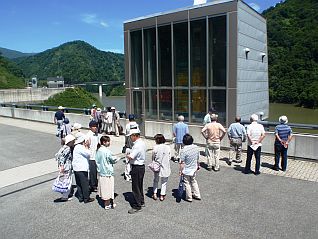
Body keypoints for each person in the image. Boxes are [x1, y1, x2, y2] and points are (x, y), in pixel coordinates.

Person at [126, 128, 146, 214]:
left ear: (134, 136)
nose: (130, 138)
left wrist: (127, 155)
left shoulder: (137, 145)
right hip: (141, 166)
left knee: (135, 187)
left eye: (131, 136)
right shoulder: (142, 143)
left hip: (136, 167)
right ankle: (141, 201)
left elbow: (132, 156)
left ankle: (137, 205)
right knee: (140, 185)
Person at [95, 136, 118, 209]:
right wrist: (118, 158)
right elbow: (113, 159)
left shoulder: (99, 150)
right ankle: (107, 204)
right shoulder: (106, 151)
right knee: (108, 188)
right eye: (108, 141)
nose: (109, 143)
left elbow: (97, 161)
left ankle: (107, 203)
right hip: (107, 172)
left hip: (101, 172)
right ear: (104, 142)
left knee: (104, 187)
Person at [72, 135, 95, 203]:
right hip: (81, 168)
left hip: (76, 168)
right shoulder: (80, 147)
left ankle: (81, 197)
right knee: (85, 184)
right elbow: (88, 154)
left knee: (79, 184)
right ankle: (86, 198)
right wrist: (87, 146)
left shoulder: (76, 147)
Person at [179, 134, 201, 202]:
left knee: (187, 183)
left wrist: (180, 171)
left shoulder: (183, 150)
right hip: (194, 168)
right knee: (193, 181)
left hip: (186, 169)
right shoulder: (196, 147)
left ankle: (189, 197)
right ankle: (197, 194)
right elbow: (198, 158)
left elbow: (182, 162)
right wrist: (198, 165)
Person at [54, 134, 76, 201]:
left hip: (63, 166)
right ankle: (65, 196)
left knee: (64, 180)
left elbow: (58, 155)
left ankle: (64, 195)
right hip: (66, 167)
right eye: (73, 142)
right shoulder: (68, 148)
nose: (74, 143)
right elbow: (62, 157)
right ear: (70, 142)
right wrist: (62, 165)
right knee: (67, 181)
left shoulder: (63, 147)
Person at [151, 134, 171, 201]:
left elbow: (153, 157)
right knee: (164, 182)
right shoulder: (168, 147)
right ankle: (162, 195)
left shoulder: (155, 147)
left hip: (157, 165)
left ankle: (155, 193)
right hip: (165, 166)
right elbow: (169, 157)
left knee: (156, 180)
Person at [124, 114, 140, 182]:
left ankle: (128, 176)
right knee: (133, 161)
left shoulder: (128, 125)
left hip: (129, 145)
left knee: (127, 162)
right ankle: (132, 175)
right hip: (134, 145)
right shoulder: (136, 125)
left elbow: (126, 134)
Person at [86, 120, 99, 192]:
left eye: (96, 126)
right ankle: (93, 186)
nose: (95, 127)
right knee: (92, 172)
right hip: (91, 156)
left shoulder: (96, 134)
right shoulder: (88, 135)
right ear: (90, 127)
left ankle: (94, 184)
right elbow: (86, 146)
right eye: (94, 126)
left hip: (96, 155)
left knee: (95, 172)